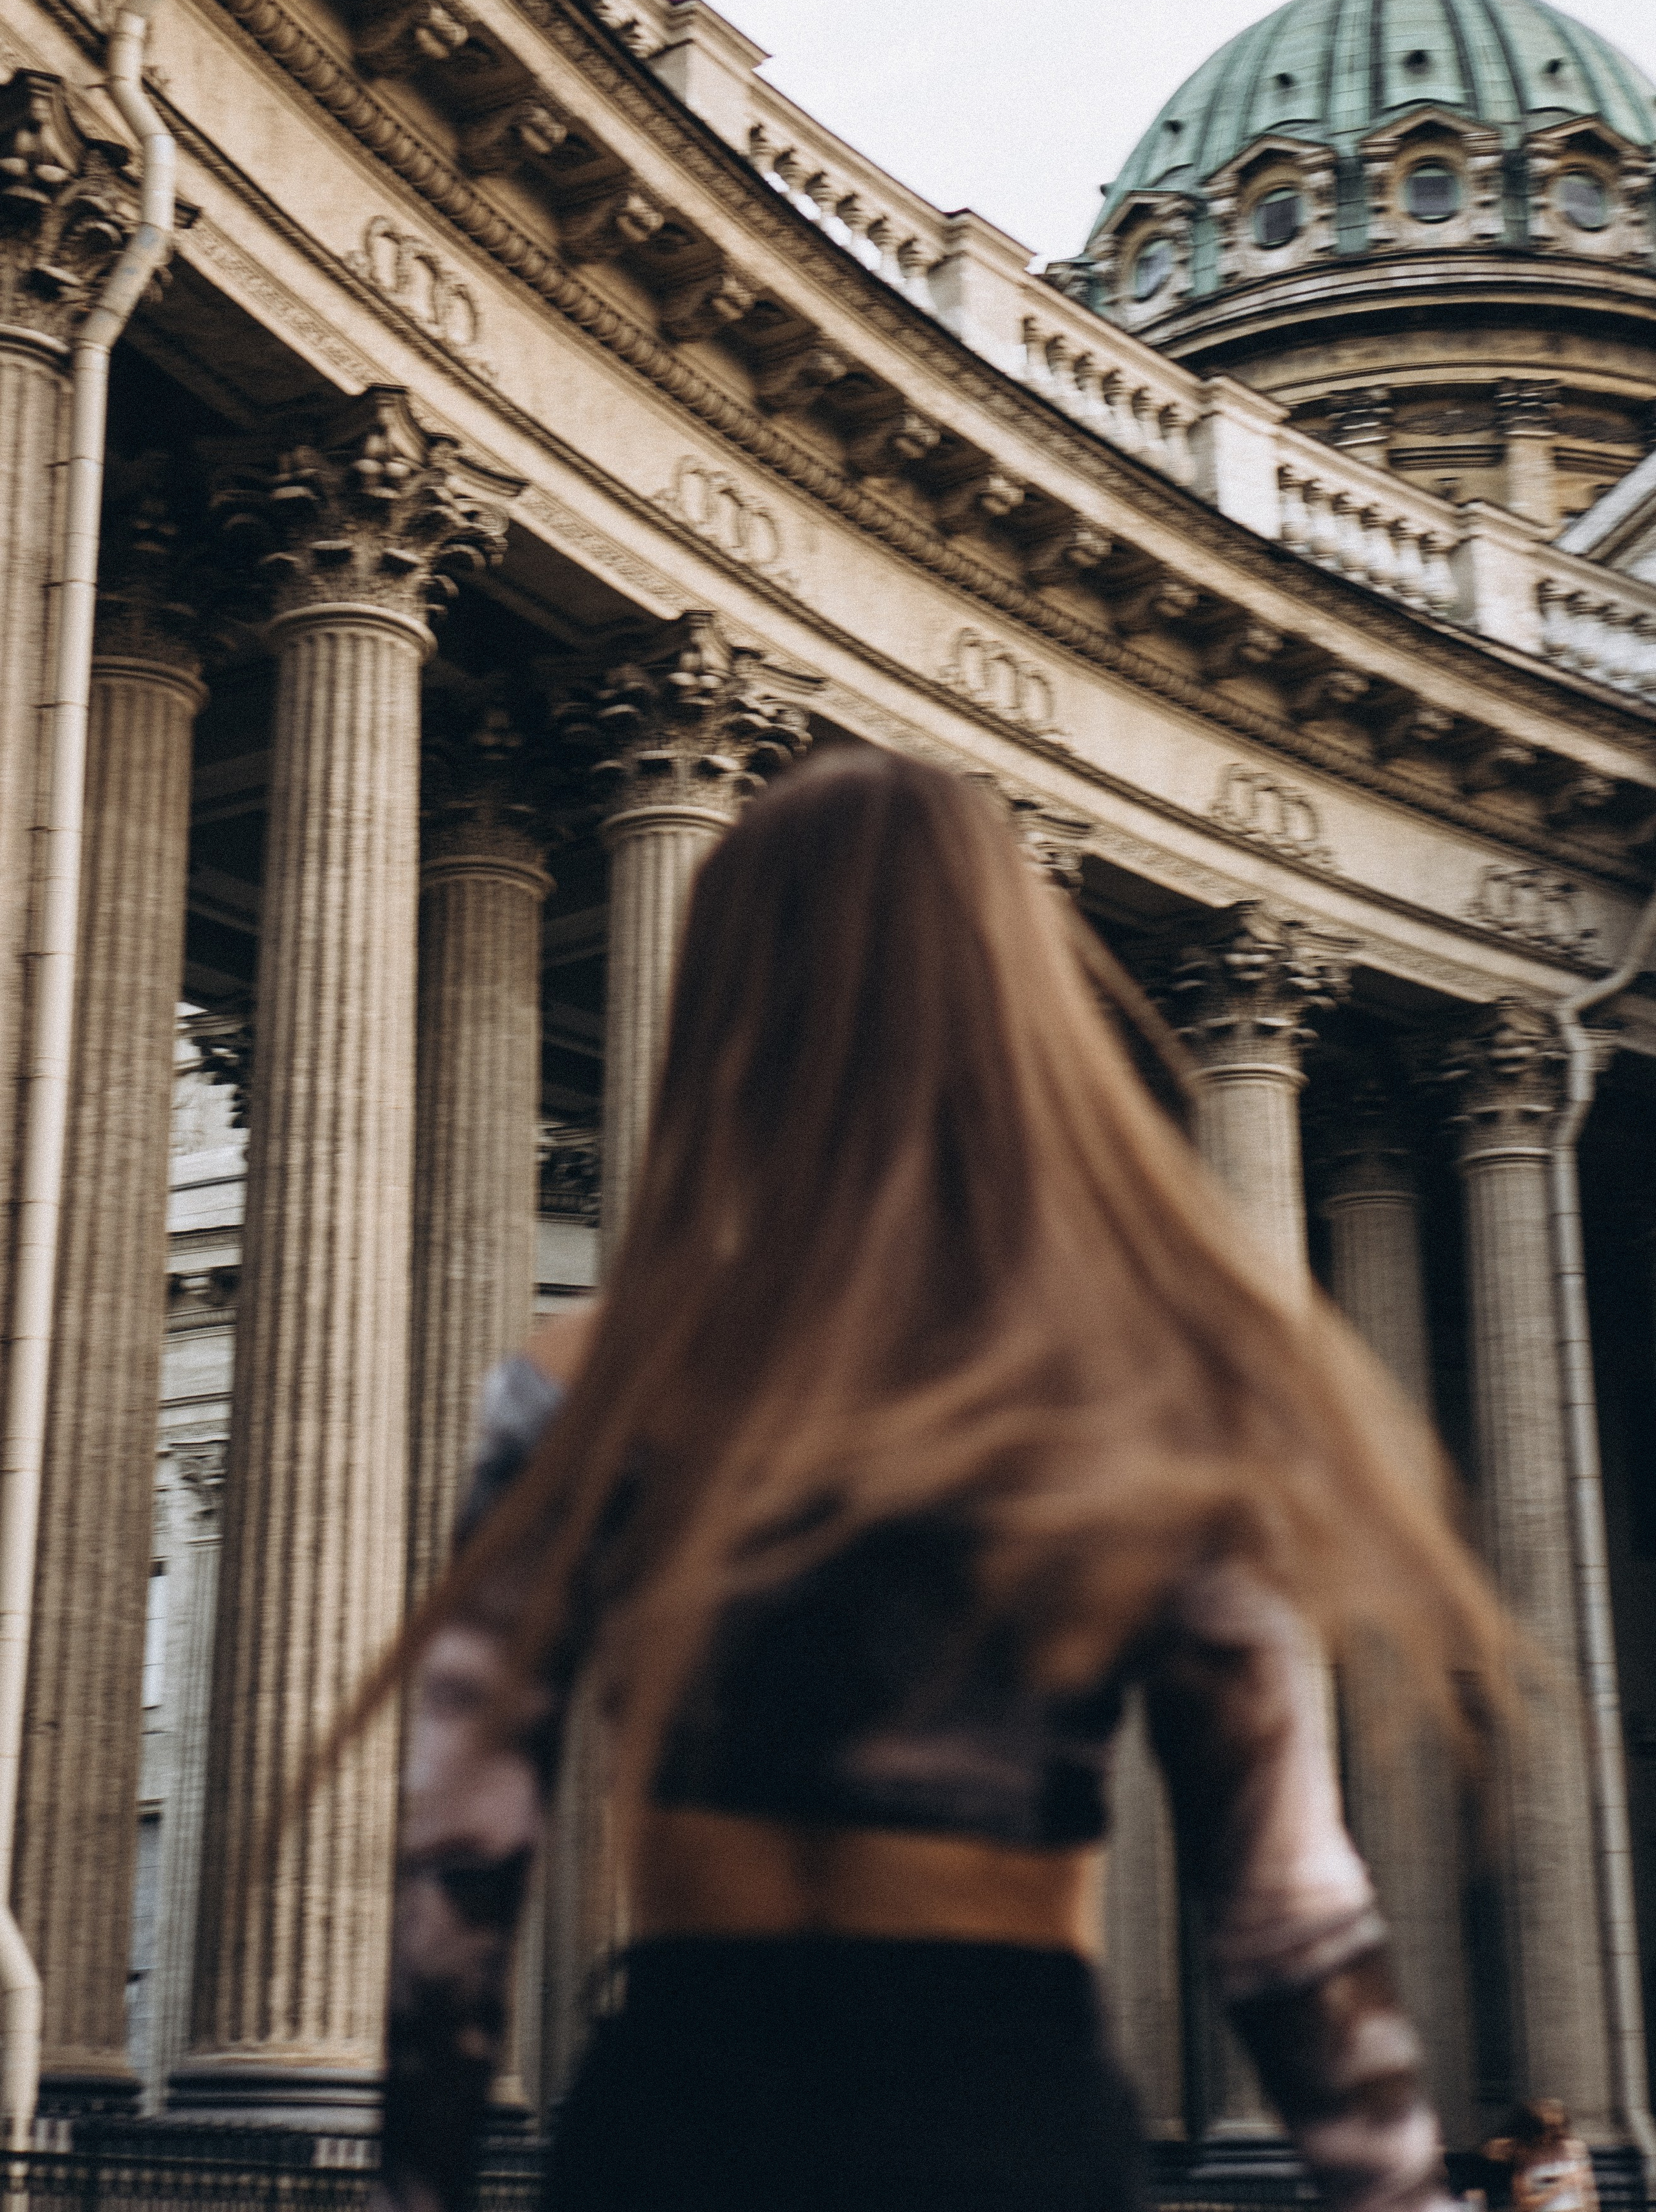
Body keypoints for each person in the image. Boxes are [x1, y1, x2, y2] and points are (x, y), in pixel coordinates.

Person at [358, 747, 1516, 2212]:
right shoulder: (1143, 1390)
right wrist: (1400, 2200)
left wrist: (416, 2191)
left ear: (728, 1004)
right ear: (1013, 1000)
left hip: (679, 2116)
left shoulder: (587, 1378)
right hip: (1006, 2121)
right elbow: (1284, 1909)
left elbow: (460, 1857)